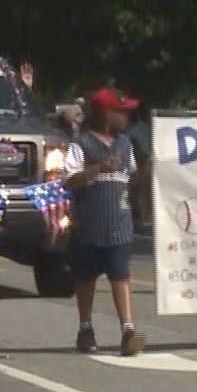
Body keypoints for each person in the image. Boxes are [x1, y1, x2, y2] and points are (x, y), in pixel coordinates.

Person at [61, 87, 145, 356]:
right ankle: (85, 328)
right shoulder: (81, 144)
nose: (127, 117)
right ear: (105, 113)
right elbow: (70, 181)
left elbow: (132, 180)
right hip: (89, 225)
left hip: (119, 223)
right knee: (86, 278)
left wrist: (147, 175)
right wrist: (97, 169)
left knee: (121, 275)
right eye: (121, 112)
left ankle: (128, 330)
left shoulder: (125, 144)